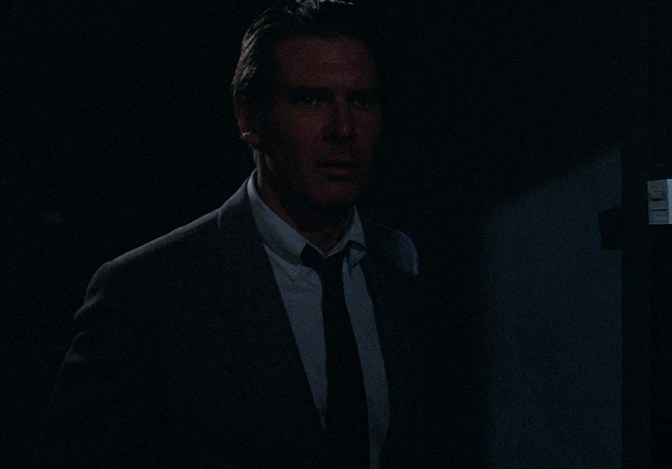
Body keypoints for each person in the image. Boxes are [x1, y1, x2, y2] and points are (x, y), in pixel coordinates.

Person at [46, 1, 426, 467]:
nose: (343, 128)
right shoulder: (146, 294)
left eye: (361, 101)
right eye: (311, 100)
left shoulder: (401, 266)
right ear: (250, 120)